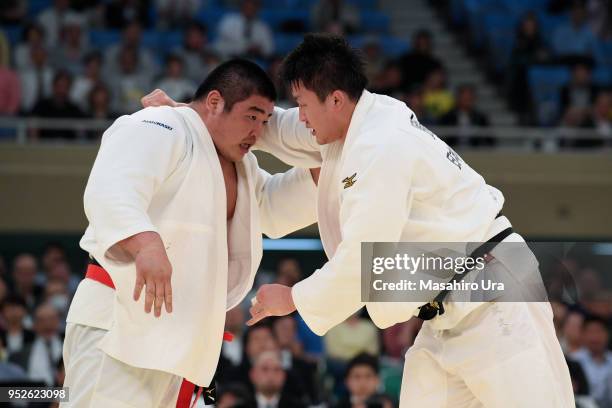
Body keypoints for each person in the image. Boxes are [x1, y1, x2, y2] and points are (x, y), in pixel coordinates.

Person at [241, 34, 574, 407]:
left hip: (495, 297)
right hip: (444, 312)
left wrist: (294, 297)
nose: (300, 115)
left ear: (335, 99)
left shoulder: (380, 145)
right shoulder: (362, 119)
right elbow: (286, 128)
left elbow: (363, 259)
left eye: (303, 104)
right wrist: (203, 116)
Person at [62, 59, 320, 407]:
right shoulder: (162, 123)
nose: (257, 132)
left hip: (181, 339)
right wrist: (146, 243)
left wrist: (325, 167)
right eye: (251, 116)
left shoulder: (241, 165)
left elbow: (272, 210)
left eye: (264, 122)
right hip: (120, 324)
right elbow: (112, 187)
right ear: (214, 103)